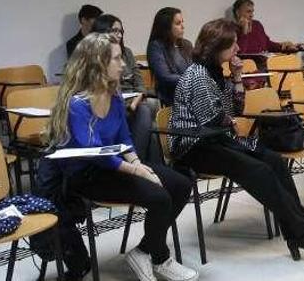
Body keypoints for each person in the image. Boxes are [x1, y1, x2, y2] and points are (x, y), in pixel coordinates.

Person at [169, 19, 304, 259]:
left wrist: (238, 76)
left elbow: (236, 110)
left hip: (218, 141)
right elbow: (212, 118)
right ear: (217, 46)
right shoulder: (197, 74)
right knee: (258, 170)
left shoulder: (217, 72)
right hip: (194, 145)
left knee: (275, 161)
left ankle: (300, 233)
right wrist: (227, 120)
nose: (238, 50)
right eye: (233, 45)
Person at [47, 33, 197, 281]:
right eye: (117, 58)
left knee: (180, 184)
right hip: (88, 174)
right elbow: (94, 152)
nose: (124, 64)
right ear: (98, 63)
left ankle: (144, 251)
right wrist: (136, 171)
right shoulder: (78, 104)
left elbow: (124, 138)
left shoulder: (115, 96)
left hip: (115, 165)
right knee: (159, 197)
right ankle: (159, 257)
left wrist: (138, 163)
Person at [92, 14, 161, 163]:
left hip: (134, 101)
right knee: (146, 116)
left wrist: (136, 101)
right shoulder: (95, 59)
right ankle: (139, 165)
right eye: (114, 30)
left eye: (121, 31)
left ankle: (148, 170)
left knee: (150, 122)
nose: (119, 34)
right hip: (114, 103)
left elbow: (140, 84)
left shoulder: (127, 53)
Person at [232, 0, 303, 89]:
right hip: (249, 67)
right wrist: (244, 33)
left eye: (252, 12)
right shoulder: (232, 29)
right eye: (248, 12)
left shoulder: (257, 24)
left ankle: (292, 92)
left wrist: (283, 47)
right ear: (238, 13)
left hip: (265, 63)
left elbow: (267, 44)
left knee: (289, 65)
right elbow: (240, 53)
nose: (252, 15)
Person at [147, 7, 193, 106]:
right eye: (178, 23)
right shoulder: (156, 46)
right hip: (171, 94)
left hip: (191, 92)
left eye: (182, 22)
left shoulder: (187, 44)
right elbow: (165, 77)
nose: (182, 26)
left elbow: (196, 68)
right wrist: (192, 81)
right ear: (166, 27)